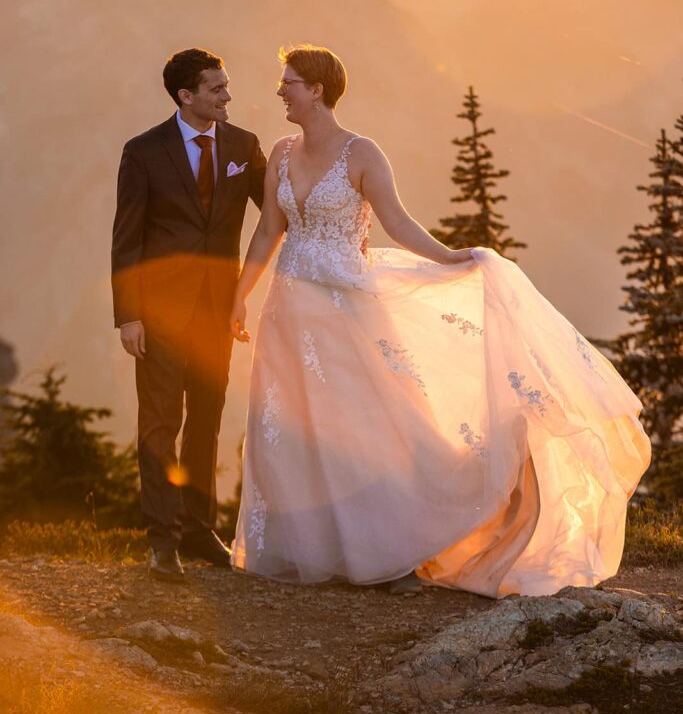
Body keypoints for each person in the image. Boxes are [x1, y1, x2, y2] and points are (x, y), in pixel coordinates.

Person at [228, 44, 650, 598]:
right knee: (297, 431)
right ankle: (314, 552)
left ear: (317, 90)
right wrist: (240, 295)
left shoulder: (362, 154)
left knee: (368, 430)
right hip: (288, 311)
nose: (279, 90)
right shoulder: (282, 153)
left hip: (346, 311)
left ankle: (391, 554)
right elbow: (267, 232)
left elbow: (398, 223)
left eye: (289, 82)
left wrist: (452, 258)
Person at [112, 48, 267, 583]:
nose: (228, 96)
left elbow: (276, 210)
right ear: (186, 96)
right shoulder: (143, 152)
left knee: (206, 419)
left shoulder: (245, 147)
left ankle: (200, 531)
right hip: (157, 313)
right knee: (160, 424)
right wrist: (128, 316)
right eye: (217, 89)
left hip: (218, 312)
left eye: (226, 86)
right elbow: (126, 238)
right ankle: (162, 542)